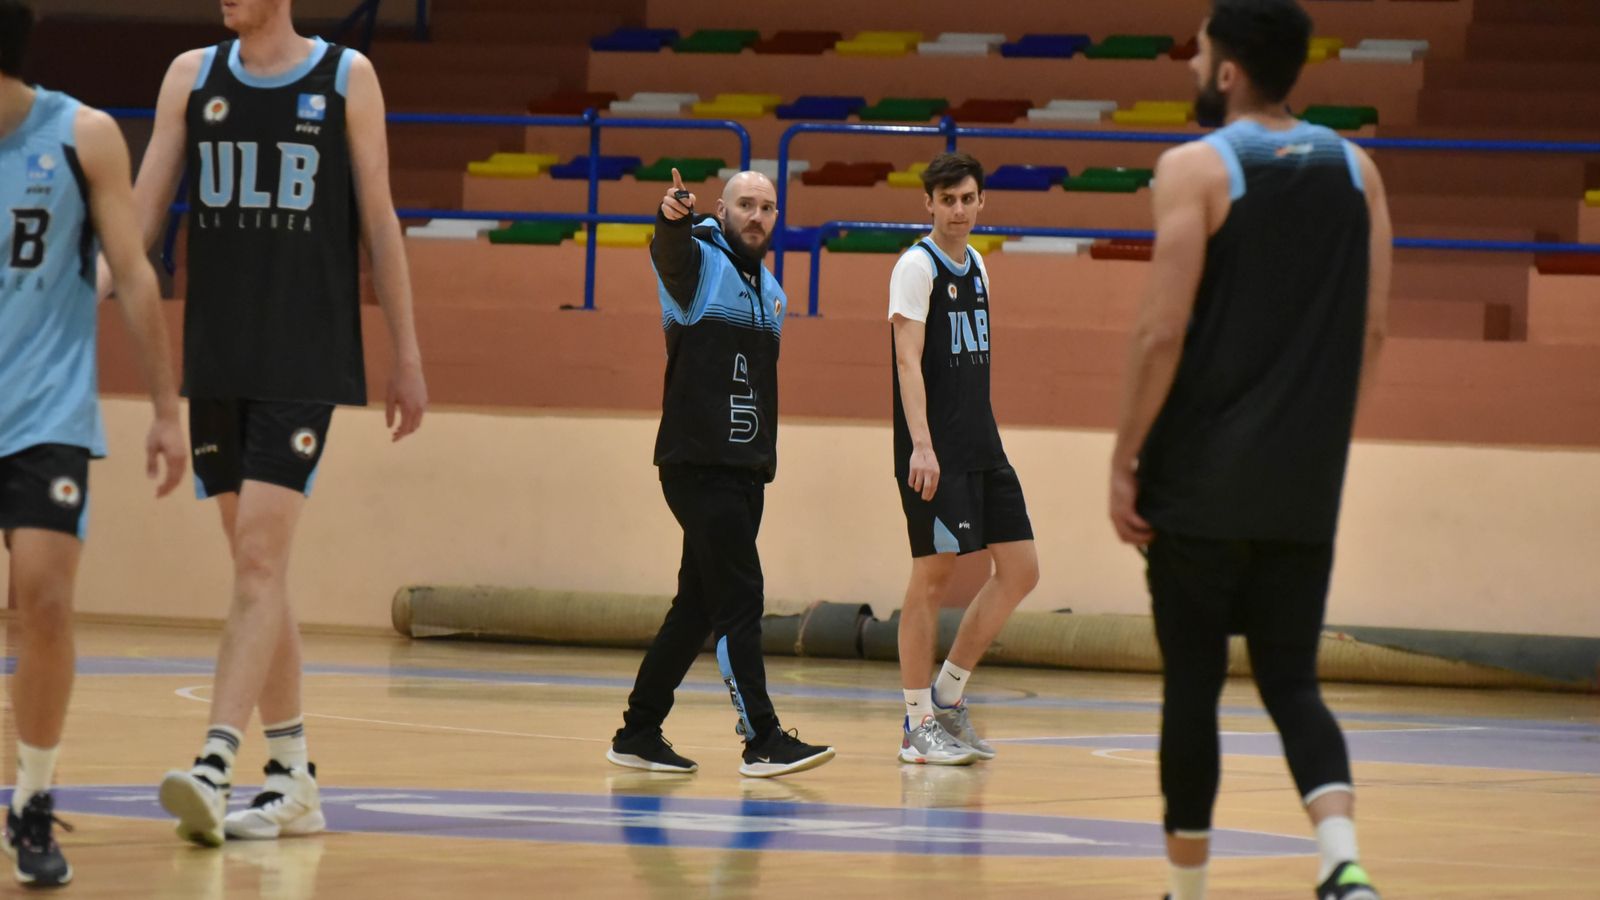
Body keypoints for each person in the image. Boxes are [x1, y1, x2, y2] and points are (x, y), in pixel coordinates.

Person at [121, 0, 427, 846]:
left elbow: (379, 221)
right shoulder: (191, 76)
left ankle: (216, 763)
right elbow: (141, 222)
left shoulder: (345, 78)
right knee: (262, 569)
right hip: (218, 355)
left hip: (306, 354)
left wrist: (406, 353)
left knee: (258, 554)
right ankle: (294, 777)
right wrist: (82, 277)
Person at [1106, 2, 1391, 898]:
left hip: (1198, 480)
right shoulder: (1359, 170)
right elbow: (1374, 331)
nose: (1192, 66)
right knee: (1293, 683)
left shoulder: (1194, 167)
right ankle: (1340, 859)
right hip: (1304, 484)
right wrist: (1315, 443)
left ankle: (1185, 894)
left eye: (1198, 53)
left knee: (1193, 688)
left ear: (1227, 71)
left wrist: (1125, 456)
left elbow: (1162, 330)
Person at [0, 0, 187, 884]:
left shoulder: (83, 135)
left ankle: (32, 801)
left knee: (43, 602)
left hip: (44, 413)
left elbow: (137, 275)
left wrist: (164, 407)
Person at [607, 167, 834, 779]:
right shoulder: (698, 264)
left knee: (698, 607)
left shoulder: (773, 291)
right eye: (744, 205)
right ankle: (761, 738)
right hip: (698, 466)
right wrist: (669, 218)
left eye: (766, 207)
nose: (756, 216)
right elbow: (669, 253)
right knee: (741, 599)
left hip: (745, 472)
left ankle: (638, 730)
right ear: (722, 209)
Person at [888, 152, 1039, 766]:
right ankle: (916, 722)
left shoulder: (977, 264)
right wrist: (922, 446)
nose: (957, 209)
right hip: (934, 448)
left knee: (1022, 569)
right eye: (946, 199)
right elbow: (907, 360)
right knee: (934, 577)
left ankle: (948, 700)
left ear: (981, 204)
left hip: (982, 443)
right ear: (928, 203)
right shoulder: (914, 267)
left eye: (967, 198)